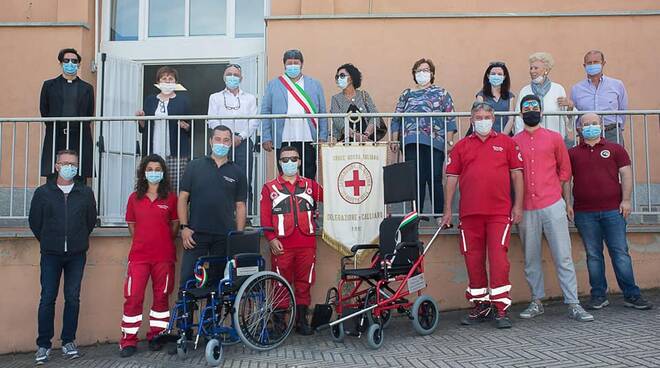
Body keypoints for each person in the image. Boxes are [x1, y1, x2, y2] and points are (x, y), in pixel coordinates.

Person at [440, 102, 524, 329]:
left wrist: (518, 207)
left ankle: (500, 309)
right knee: (473, 261)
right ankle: (480, 305)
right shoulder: (461, 147)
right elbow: (451, 179)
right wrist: (448, 210)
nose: (483, 120)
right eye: (479, 117)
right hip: (469, 215)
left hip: (499, 213)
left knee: (499, 261)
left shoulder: (507, 143)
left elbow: (517, 176)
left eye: (487, 116)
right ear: (471, 120)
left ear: (494, 119)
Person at [513, 95, 593, 322]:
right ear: (520, 113)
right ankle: (536, 301)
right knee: (531, 258)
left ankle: (573, 304)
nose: (531, 110)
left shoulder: (554, 138)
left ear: (541, 111)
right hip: (526, 208)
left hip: (552, 204)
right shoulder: (514, 142)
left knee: (563, 256)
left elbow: (565, 170)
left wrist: (560, 196)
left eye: (534, 107)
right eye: (526, 107)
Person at [568, 113, 652, 310]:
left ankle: (631, 295)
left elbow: (626, 174)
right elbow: (565, 180)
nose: (591, 127)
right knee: (593, 254)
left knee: (620, 253)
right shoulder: (572, 153)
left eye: (594, 123)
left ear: (601, 126)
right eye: (586, 124)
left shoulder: (615, 149)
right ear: (579, 129)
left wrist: (627, 200)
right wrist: (568, 203)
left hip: (613, 211)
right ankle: (598, 295)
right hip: (584, 212)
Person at [28, 149, 97, 365]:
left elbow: (90, 221)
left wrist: (77, 240)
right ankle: (43, 345)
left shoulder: (85, 193)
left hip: (76, 254)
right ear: (57, 166)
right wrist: (49, 240)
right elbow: (35, 222)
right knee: (47, 298)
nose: (70, 167)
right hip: (51, 254)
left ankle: (68, 342)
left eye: (73, 163)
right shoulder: (43, 192)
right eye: (65, 163)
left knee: (73, 298)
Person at [119, 154, 179, 357]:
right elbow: (132, 227)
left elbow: (174, 227)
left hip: (164, 256)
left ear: (163, 173)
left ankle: (157, 336)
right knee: (133, 298)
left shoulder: (171, 197)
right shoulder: (134, 198)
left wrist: (160, 240)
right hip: (139, 257)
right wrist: (145, 241)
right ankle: (128, 341)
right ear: (143, 173)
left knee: (161, 299)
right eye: (150, 169)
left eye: (158, 169)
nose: (154, 173)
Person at [260, 145, 323, 335]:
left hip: (306, 243)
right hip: (282, 244)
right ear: (279, 162)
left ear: (300, 161)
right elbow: (264, 217)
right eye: (285, 160)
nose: (289, 163)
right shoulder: (269, 187)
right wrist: (270, 238)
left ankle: (301, 320)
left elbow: (332, 199)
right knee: (280, 282)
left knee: (305, 282)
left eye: (293, 159)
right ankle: (279, 321)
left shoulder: (310, 185)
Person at [177, 125, 247, 288]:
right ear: (210, 141)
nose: (221, 143)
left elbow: (241, 205)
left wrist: (238, 236)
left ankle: (211, 314)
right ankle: (185, 314)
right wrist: (184, 227)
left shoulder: (238, 172)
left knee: (217, 285)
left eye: (226, 140)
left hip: (224, 237)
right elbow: (182, 198)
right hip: (195, 236)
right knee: (187, 281)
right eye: (218, 139)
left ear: (230, 144)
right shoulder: (194, 166)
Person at [390, 58, 457, 215]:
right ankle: (416, 215)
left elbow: (450, 118)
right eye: (419, 70)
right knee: (416, 178)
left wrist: (449, 141)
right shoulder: (407, 94)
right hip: (411, 141)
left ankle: (440, 214)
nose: (422, 73)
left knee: (434, 177)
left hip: (435, 141)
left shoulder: (442, 93)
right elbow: (396, 118)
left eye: (426, 70)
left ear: (432, 73)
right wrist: (394, 138)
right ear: (414, 74)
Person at [261, 49, 328, 180]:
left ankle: (308, 200)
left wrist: (322, 136)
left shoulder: (314, 84)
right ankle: (287, 200)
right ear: (284, 65)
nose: (292, 66)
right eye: (289, 63)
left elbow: (322, 112)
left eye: (295, 63)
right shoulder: (273, 84)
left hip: (308, 138)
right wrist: (266, 137)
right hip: (284, 137)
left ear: (302, 64)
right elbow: (266, 111)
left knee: (308, 173)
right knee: (285, 174)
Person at [207, 63, 259, 212]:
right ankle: (220, 212)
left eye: (236, 75)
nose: (232, 77)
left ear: (241, 78)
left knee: (244, 178)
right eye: (229, 74)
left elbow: (254, 121)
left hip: (242, 142)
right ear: (224, 77)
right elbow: (212, 119)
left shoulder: (249, 98)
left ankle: (245, 215)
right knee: (218, 177)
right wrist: (226, 138)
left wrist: (240, 137)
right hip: (221, 142)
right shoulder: (215, 97)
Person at [40, 48, 94, 179]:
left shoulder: (87, 88)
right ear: (60, 63)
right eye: (67, 60)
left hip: (79, 136)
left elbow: (89, 112)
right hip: (56, 135)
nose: (70, 63)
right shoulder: (49, 85)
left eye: (74, 61)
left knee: (79, 175)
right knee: (54, 175)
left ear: (79, 64)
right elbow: (44, 110)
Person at [136, 66, 191, 192]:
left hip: (175, 152)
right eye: (164, 78)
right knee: (151, 186)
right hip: (153, 150)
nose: (167, 81)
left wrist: (186, 126)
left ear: (176, 83)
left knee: (175, 187)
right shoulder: (150, 100)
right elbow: (143, 127)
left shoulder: (183, 100)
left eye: (170, 79)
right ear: (158, 82)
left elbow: (190, 127)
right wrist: (141, 118)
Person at [569, 50, 628, 144]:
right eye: (589, 63)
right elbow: (575, 113)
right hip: (586, 134)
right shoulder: (576, 89)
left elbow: (623, 110)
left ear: (603, 63)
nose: (592, 65)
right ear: (584, 66)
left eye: (596, 62)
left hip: (611, 133)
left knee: (615, 158)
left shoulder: (617, 85)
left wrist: (618, 129)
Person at [514, 52, 573, 140]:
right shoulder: (525, 90)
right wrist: (520, 138)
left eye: (536, 68)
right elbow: (519, 118)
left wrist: (570, 106)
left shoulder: (558, 89)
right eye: (531, 68)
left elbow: (566, 118)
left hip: (554, 138)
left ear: (546, 70)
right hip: (530, 139)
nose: (532, 71)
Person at [329, 63, 384, 142]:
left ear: (351, 78)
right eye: (337, 77)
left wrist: (366, 134)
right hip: (344, 142)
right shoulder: (335, 98)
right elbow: (338, 120)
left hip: (365, 142)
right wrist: (354, 135)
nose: (338, 79)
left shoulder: (364, 95)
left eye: (342, 76)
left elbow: (374, 116)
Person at [466, 61, 516, 136]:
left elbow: (511, 119)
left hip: (505, 136)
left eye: (499, 74)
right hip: (486, 136)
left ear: (504, 77)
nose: (496, 76)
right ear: (488, 76)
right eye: (493, 74)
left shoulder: (510, 96)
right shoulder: (481, 96)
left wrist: (502, 136)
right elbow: (479, 116)